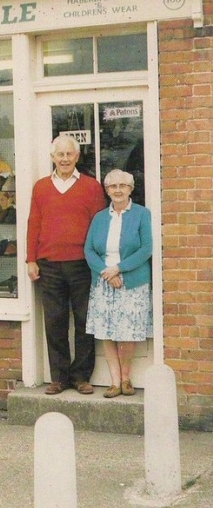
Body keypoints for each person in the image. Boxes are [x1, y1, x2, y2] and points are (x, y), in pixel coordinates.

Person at [27, 135, 107, 395]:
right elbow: (33, 224)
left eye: (68, 154)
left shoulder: (92, 187)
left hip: (83, 265)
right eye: (59, 154)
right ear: (53, 157)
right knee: (55, 322)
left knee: (85, 321)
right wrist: (31, 259)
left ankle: (81, 377)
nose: (64, 159)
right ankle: (59, 377)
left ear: (77, 157)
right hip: (49, 265)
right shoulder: (40, 187)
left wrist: (100, 261)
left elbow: (100, 227)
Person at [84, 168, 153, 398]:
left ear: (131, 189)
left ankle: (126, 377)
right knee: (106, 332)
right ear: (107, 190)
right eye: (113, 186)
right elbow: (89, 250)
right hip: (104, 282)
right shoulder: (100, 217)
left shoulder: (142, 214)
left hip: (132, 282)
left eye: (122, 186)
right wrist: (107, 271)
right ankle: (114, 381)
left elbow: (146, 249)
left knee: (127, 333)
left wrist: (119, 269)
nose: (118, 190)